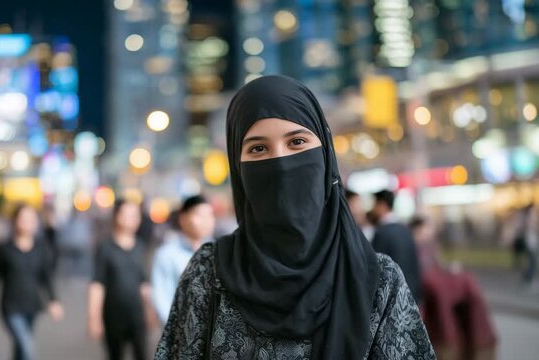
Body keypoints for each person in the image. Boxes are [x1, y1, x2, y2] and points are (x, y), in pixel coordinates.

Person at [155, 75, 434, 359]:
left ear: (325, 154)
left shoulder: (379, 280)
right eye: (258, 148)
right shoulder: (208, 274)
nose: (280, 164)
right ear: (238, 171)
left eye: (297, 141)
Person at [0, 204, 64, 360]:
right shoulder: (5, 249)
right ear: (14, 221)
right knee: (27, 347)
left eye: (31, 219)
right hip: (11, 307)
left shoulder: (41, 248)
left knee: (20, 348)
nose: (27, 223)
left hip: (32, 305)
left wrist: (54, 300)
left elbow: (46, 278)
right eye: (23, 219)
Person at [411, 216, 497, 360]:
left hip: (434, 283)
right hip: (425, 289)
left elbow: (438, 263)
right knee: (442, 296)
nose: (428, 233)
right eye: (425, 229)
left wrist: (449, 268)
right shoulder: (414, 247)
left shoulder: (431, 246)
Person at [88, 199, 151, 360]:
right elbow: (97, 285)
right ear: (117, 216)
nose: (133, 219)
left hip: (136, 315)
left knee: (142, 354)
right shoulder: (105, 247)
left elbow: (143, 283)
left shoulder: (140, 247)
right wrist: (94, 318)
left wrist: (149, 310)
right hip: (113, 316)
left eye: (135, 215)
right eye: (127, 215)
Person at [151, 195, 215, 325]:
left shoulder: (218, 251)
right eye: (199, 215)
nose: (206, 221)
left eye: (210, 215)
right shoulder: (167, 254)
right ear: (183, 218)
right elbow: (161, 296)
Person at [371, 189, 422, 302]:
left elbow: (377, 268)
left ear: (382, 205)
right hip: (410, 295)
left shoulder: (382, 233)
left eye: (374, 204)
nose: (373, 209)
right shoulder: (405, 230)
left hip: (393, 300)